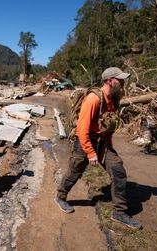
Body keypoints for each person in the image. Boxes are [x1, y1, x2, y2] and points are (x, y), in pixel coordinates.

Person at [55, 67, 142, 230]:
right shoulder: (93, 99)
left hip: (103, 142)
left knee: (118, 171)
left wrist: (108, 147)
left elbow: (108, 125)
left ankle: (119, 212)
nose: (123, 83)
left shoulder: (114, 99)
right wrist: (90, 152)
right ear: (110, 81)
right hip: (85, 141)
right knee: (76, 171)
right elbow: (82, 130)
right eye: (120, 80)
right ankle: (60, 197)